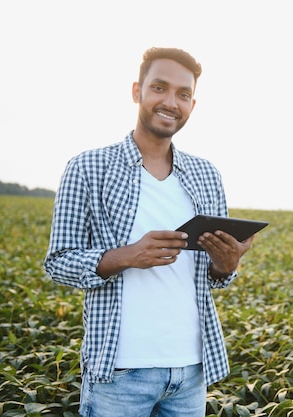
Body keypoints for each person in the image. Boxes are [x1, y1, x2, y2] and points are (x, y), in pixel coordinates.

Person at [44, 47, 254, 417]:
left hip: (190, 371)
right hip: (120, 372)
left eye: (183, 94)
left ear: (192, 104)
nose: (171, 102)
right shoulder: (88, 167)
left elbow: (216, 280)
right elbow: (58, 263)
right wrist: (127, 256)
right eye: (159, 87)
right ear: (137, 91)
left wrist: (225, 264)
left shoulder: (207, 174)